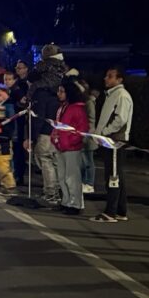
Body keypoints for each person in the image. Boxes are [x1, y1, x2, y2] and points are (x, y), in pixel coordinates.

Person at [90, 67, 134, 223]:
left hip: (115, 140)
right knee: (115, 174)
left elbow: (120, 119)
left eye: (110, 76)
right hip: (110, 139)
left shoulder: (121, 95)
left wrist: (105, 132)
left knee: (113, 176)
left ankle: (111, 212)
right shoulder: (111, 95)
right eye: (106, 76)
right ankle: (121, 211)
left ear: (119, 79)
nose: (105, 79)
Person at [25, 44, 66, 204]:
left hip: (45, 131)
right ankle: (58, 191)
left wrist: (33, 137)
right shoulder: (58, 84)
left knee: (44, 158)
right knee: (54, 161)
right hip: (56, 130)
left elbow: (39, 116)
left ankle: (51, 193)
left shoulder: (42, 92)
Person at [51, 78, 89, 216]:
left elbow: (82, 129)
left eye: (62, 91)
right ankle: (66, 201)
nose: (59, 94)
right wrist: (55, 140)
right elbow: (58, 125)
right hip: (61, 146)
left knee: (72, 177)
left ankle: (75, 204)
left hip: (71, 148)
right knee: (62, 176)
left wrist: (70, 142)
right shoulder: (63, 107)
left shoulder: (77, 109)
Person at [0, 84, 18, 194]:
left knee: (3, 161)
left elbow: (10, 123)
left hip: (4, 139)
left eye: (0, 94)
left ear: (6, 94)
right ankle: (4, 183)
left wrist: (4, 133)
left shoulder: (8, 106)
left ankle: (9, 186)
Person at [4, 70, 28, 186]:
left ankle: (19, 175)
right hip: (11, 124)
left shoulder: (17, 91)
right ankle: (14, 174)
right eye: (5, 79)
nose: (7, 81)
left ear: (15, 80)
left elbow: (22, 105)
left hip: (17, 124)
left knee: (18, 150)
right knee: (13, 149)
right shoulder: (9, 91)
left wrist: (16, 106)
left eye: (9, 79)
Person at [79, 80, 98, 194]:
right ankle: (83, 182)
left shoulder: (89, 102)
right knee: (82, 161)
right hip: (81, 135)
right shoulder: (82, 102)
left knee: (88, 161)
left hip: (88, 136)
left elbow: (91, 120)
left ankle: (89, 183)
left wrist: (87, 135)